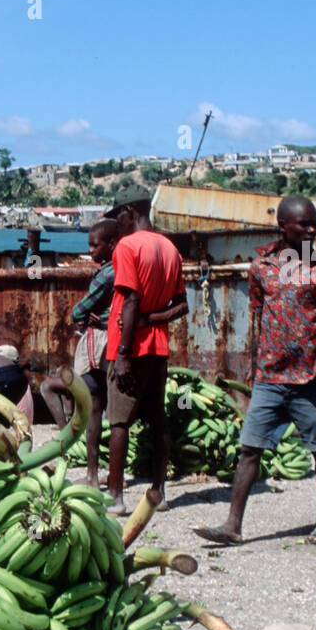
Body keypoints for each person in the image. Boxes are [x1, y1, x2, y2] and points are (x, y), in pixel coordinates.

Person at [194, 195, 316, 546]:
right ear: (282, 226)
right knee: (250, 448)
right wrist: (256, 365)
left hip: (313, 376)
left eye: (314, 223)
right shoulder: (261, 267)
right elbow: (259, 314)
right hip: (271, 377)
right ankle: (233, 525)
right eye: (303, 224)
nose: (311, 230)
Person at [104, 188, 189, 514]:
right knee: (157, 418)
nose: (116, 224)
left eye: (117, 217)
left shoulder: (128, 246)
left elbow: (131, 299)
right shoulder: (169, 247)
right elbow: (181, 305)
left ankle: (115, 497)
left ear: (129, 211)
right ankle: (159, 492)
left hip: (129, 348)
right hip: (158, 348)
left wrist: (123, 353)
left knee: (119, 422)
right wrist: (153, 319)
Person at [43, 218, 120, 486]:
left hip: (98, 342)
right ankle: (110, 474)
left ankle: (90, 471)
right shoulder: (123, 268)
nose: (90, 251)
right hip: (115, 340)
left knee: (90, 401)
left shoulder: (107, 273)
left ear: (111, 244)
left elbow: (80, 309)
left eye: (94, 245)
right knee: (112, 407)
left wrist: (80, 315)